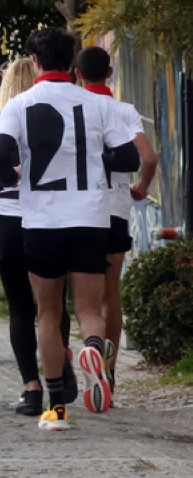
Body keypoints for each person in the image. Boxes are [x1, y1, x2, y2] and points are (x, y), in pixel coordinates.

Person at [0, 28, 140, 430]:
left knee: (48, 314)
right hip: (91, 218)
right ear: (72, 62)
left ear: (35, 62)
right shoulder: (97, 105)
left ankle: (55, 409)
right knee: (89, 309)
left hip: (42, 221)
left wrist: (11, 178)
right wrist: (96, 161)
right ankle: (94, 347)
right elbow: (128, 156)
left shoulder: (20, 104)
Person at [0, 58, 69, 417]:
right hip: (50, 221)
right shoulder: (59, 124)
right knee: (53, 305)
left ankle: (31, 389)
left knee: (20, 308)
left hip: (8, 225)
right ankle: (60, 371)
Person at [73, 46, 158, 394]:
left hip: (77, 212)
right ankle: (108, 373)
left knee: (78, 299)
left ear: (77, 74)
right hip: (116, 211)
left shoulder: (73, 108)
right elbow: (148, 157)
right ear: (110, 73)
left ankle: (74, 363)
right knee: (110, 294)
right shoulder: (123, 111)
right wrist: (141, 187)